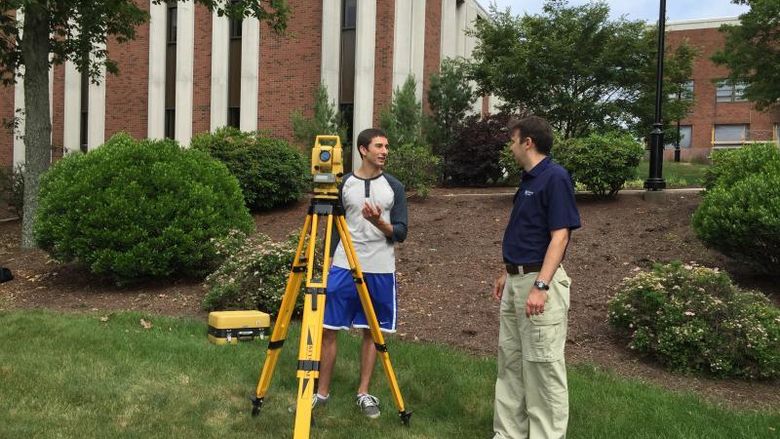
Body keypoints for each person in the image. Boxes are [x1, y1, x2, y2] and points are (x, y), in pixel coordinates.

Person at [492, 116, 581, 439]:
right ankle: (508, 434)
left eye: (513, 141)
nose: (511, 147)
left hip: (538, 283)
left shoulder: (554, 178)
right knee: (511, 364)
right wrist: (507, 272)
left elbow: (560, 237)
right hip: (517, 280)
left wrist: (541, 286)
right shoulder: (529, 180)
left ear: (527, 142)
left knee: (543, 368)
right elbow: (528, 233)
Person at [314, 128, 408, 419]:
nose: (385, 151)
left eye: (386, 146)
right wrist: (329, 261)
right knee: (329, 329)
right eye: (379, 146)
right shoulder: (343, 184)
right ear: (363, 150)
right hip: (343, 265)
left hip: (379, 268)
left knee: (372, 332)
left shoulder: (395, 186)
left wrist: (379, 222)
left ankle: (363, 393)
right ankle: (321, 393)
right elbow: (332, 228)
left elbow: (401, 233)